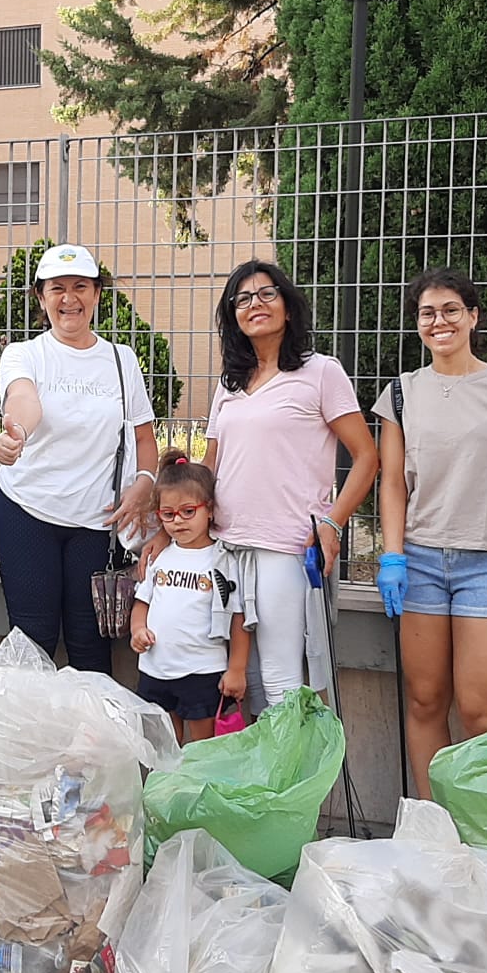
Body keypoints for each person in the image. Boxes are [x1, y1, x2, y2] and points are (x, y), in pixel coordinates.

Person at [373, 267, 487, 797]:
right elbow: (392, 485)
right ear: (417, 325)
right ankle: (434, 826)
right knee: (425, 701)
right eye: (427, 313)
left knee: (480, 711)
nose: (439, 321)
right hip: (421, 563)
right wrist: (393, 557)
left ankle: (484, 832)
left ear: (473, 317)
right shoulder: (400, 393)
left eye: (451, 310)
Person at [192, 258, 377, 713]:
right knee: (233, 681)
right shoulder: (230, 383)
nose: (255, 304)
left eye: (267, 294)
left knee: (280, 680)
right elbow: (210, 464)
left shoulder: (321, 372)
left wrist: (333, 523)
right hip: (226, 547)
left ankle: (289, 784)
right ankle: (256, 782)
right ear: (233, 316)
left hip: (284, 549)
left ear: (289, 307)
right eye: (243, 298)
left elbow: (368, 457)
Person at [0, 243, 158, 671]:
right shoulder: (24, 354)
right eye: (57, 288)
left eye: (80, 286)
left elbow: (143, 437)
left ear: (98, 294)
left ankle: (91, 739)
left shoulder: (122, 361)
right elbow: (24, 399)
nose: (69, 298)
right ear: (41, 297)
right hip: (28, 511)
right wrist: (18, 434)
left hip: (96, 522)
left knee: (90, 643)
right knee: (32, 639)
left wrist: (144, 484)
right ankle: (29, 738)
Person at [129, 450, 250, 742]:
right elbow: (142, 603)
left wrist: (236, 669)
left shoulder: (222, 561)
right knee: (163, 750)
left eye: (188, 511)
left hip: (202, 672)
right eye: (168, 514)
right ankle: (166, 790)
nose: (178, 521)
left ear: (209, 509)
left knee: (201, 753)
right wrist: (137, 630)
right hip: (155, 671)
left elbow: (239, 618)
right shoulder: (160, 556)